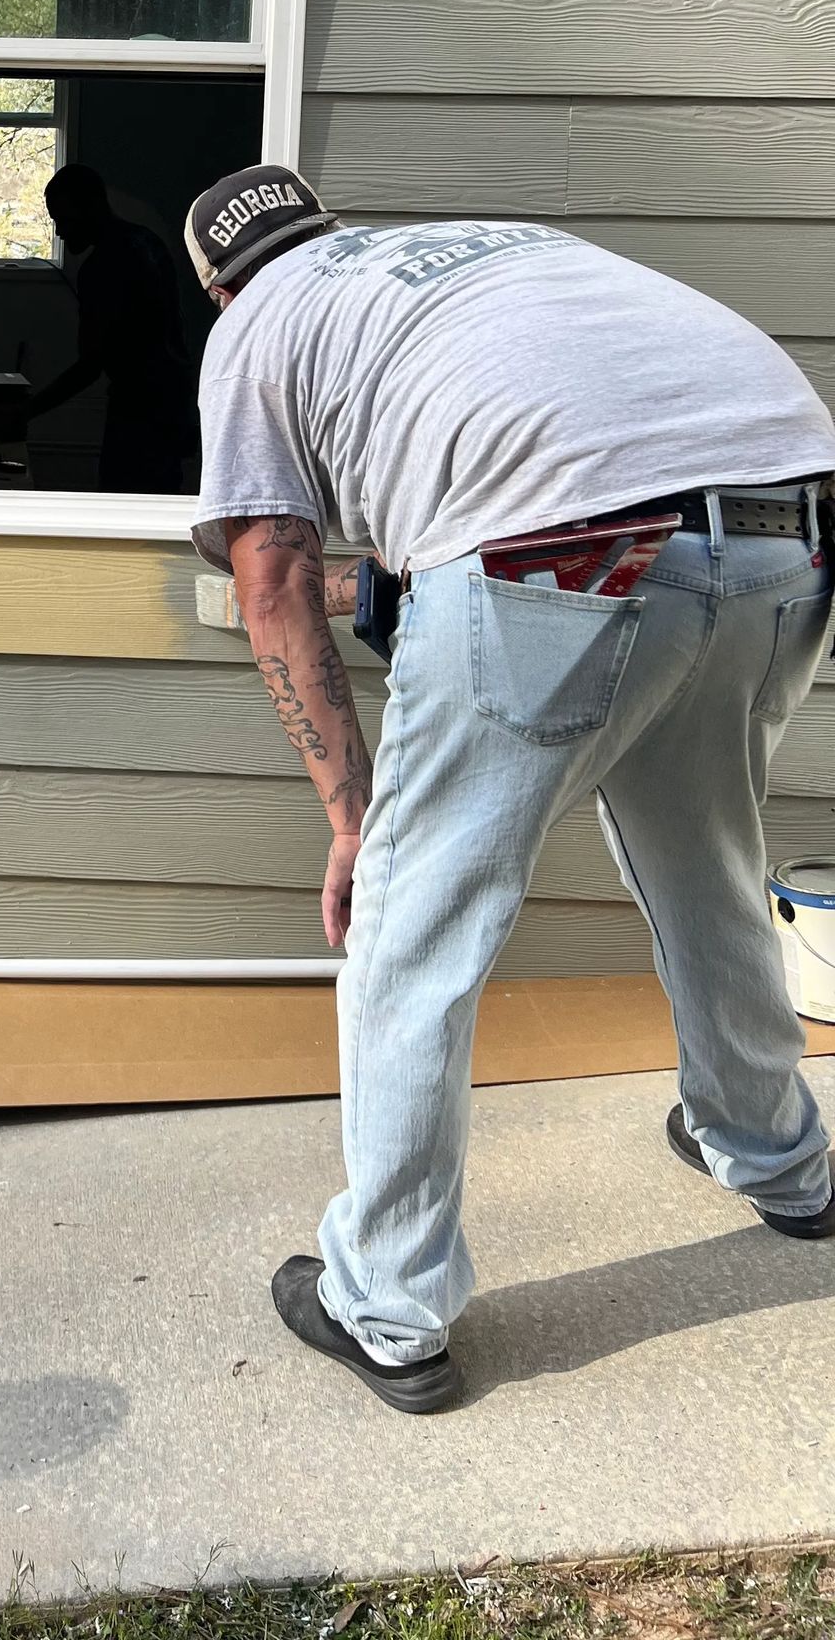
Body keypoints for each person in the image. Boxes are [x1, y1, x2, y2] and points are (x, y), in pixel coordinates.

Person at [183, 161, 835, 1414]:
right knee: (705, 861)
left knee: (411, 924)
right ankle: (779, 1160)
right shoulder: (473, 258)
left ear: (219, 286)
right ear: (327, 224)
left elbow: (271, 576)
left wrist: (350, 818)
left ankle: (386, 1303)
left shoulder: (258, 325)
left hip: (571, 553)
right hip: (785, 531)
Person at [26, 164, 193, 492]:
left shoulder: (101, 268)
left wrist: (26, 412)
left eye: (63, 219)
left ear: (90, 205)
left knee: (123, 508)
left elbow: (90, 365)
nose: (59, 232)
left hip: (138, 414)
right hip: (174, 403)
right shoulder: (148, 243)